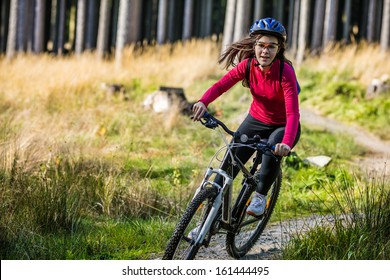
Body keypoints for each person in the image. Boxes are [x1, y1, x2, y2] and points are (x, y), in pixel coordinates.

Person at [192, 17, 301, 217]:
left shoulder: (285, 72)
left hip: (283, 125)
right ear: (254, 45)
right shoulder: (248, 65)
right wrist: (203, 101)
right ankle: (204, 224)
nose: (265, 51)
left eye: (271, 46)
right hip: (256, 120)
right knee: (227, 168)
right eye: (261, 45)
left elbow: (293, 112)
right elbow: (220, 86)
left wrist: (286, 142)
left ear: (279, 49)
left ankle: (260, 197)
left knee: (272, 152)